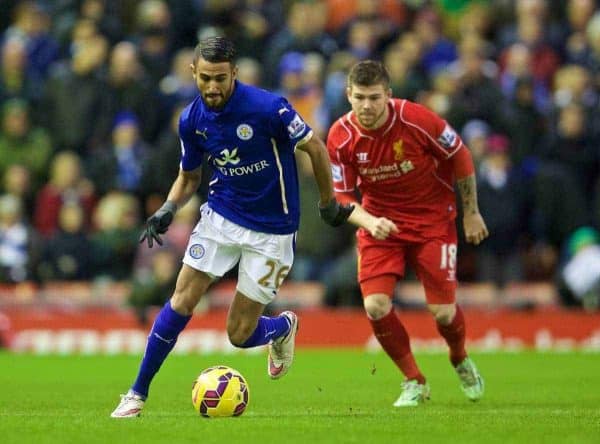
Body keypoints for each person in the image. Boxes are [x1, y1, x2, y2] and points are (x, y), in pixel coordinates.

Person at [111, 36, 353, 418]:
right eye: (205, 77)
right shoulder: (191, 120)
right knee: (183, 298)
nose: (212, 86)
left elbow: (316, 149)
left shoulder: (268, 108)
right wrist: (169, 208)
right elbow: (189, 177)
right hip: (222, 215)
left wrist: (327, 202)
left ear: (234, 73)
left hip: (273, 229)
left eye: (220, 78)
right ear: (193, 72)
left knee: (238, 334)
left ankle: (280, 328)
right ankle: (136, 394)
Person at [326, 60, 488, 407]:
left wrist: (471, 212)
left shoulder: (417, 119)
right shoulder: (340, 136)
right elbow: (341, 195)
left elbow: (459, 154)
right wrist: (369, 222)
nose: (366, 106)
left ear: (388, 95)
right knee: (375, 305)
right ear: (348, 96)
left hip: (433, 220)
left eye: (373, 98)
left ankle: (459, 356)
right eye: (359, 98)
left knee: (443, 312)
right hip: (380, 225)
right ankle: (414, 380)